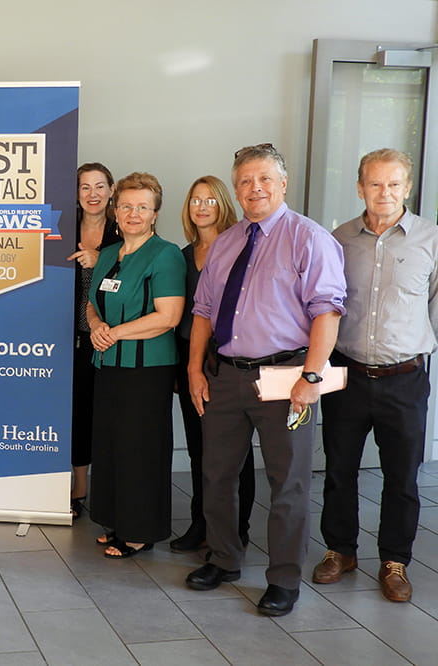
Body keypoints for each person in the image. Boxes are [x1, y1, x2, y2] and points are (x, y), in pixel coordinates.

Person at [185, 143, 345, 617]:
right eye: (244, 182)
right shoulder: (229, 241)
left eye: (263, 179)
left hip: (287, 378)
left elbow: (327, 312)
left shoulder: (309, 238)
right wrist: (195, 368)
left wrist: (311, 377)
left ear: (282, 183)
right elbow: (203, 311)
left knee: (288, 483)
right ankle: (224, 559)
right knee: (216, 475)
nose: (254, 189)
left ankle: (283, 580)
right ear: (235, 189)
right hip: (228, 377)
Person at [313, 149, 438, 602]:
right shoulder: (339, 239)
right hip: (346, 374)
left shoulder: (431, 239)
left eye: (393, 184)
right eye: (374, 184)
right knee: (339, 471)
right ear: (360, 186)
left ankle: (394, 561)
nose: (384, 192)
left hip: (405, 379)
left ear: (407, 187)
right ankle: (340, 550)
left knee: (402, 476)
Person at [87, 172, 185, 559]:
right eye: (126, 205)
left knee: (140, 449)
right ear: (115, 210)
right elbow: (93, 301)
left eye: (142, 207)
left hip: (147, 370)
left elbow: (169, 316)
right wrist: (95, 326)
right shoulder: (110, 253)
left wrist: (115, 333)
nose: (133, 213)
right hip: (108, 364)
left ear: (155, 213)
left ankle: (140, 530)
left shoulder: (166, 254)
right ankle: (114, 521)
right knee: (111, 446)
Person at [169, 176, 255, 553]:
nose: (201, 207)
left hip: (227, 359)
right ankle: (201, 523)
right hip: (190, 358)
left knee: (235, 451)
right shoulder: (183, 256)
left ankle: (238, 527)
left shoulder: (240, 248)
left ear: (223, 204)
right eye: (194, 201)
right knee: (198, 448)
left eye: (209, 200)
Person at [66, 162, 120, 521]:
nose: (93, 194)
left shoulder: (125, 226)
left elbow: (135, 271)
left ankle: (113, 489)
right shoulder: (63, 227)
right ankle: (79, 485)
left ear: (111, 190)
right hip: (69, 338)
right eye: (85, 187)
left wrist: (99, 259)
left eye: (100, 186)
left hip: (111, 336)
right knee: (78, 412)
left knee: (111, 415)